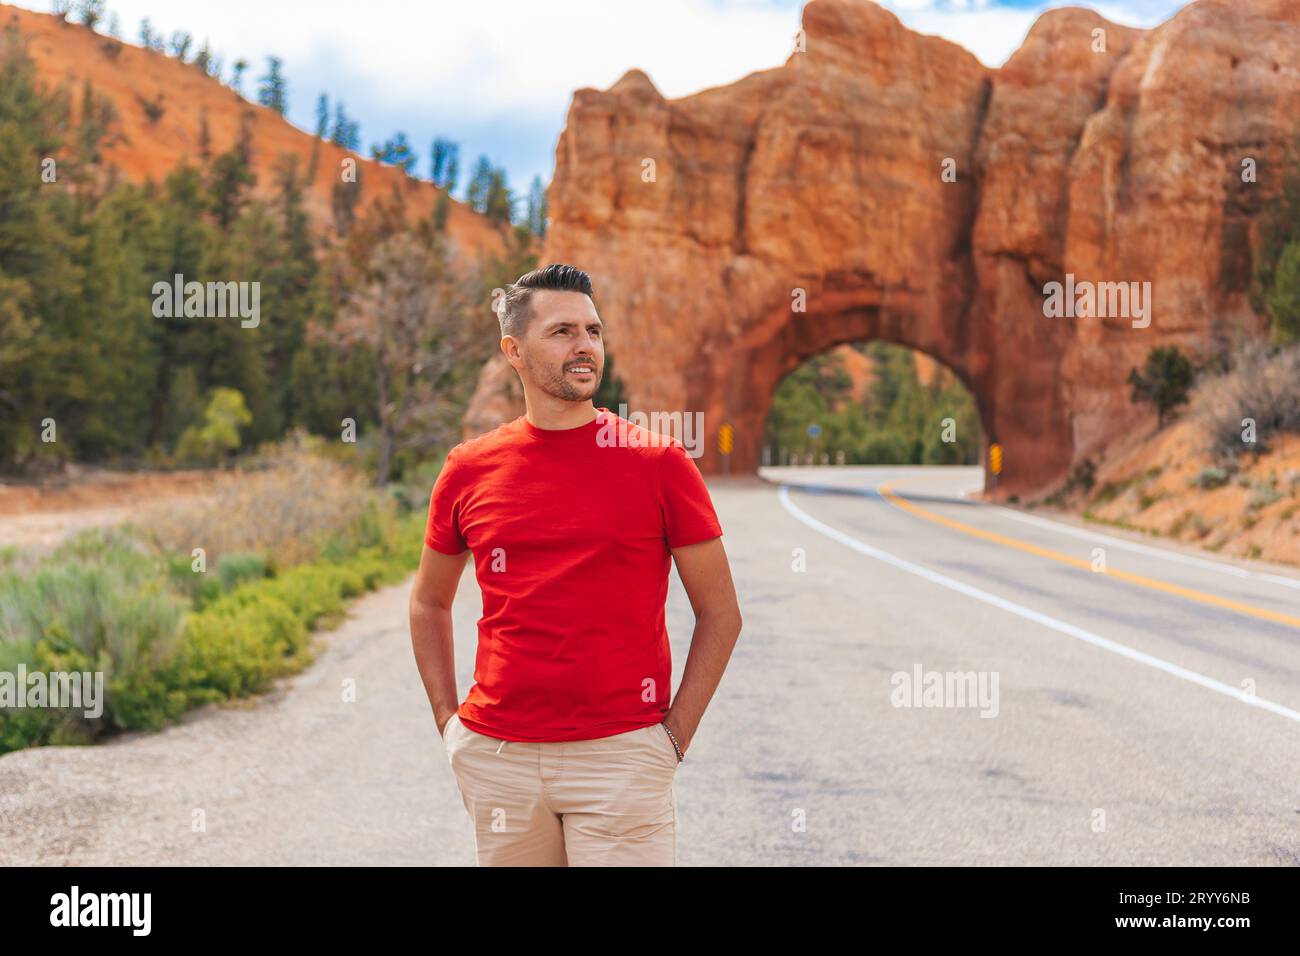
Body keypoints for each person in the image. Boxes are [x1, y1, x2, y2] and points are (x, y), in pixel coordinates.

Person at [409, 263, 743, 866]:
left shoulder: (659, 464)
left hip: (621, 756)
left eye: (593, 330)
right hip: (499, 756)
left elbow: (720, 612)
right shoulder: (469, 468)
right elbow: (428, 601)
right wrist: (448, 723)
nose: (585, 345)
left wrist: (670, 740)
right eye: (563, 331)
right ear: (514, 350)